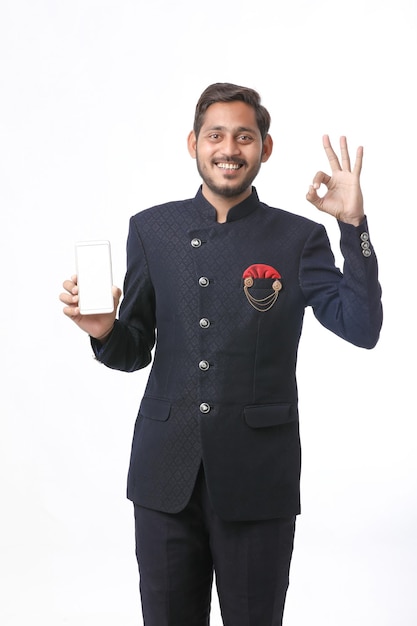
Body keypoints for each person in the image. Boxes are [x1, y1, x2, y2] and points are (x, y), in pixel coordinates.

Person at [60, 82, 383, 625]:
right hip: (164, 476)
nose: (229, 148)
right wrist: (104, 330)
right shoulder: (151, 229)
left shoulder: (299, 238)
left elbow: (362, 326)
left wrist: (353, 228)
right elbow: (133, 350)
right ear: (193, 143)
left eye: (244, 137)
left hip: (260, 478)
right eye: (216, 135)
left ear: (265, 147)